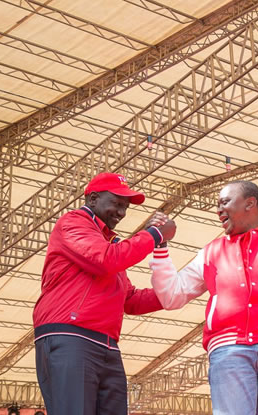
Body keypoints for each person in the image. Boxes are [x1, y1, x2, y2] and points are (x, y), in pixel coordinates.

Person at [149, 180, 258, 415]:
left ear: (250, 203)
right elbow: (172, 296)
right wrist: (160, 247)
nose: (218, 210)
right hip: (228, 348)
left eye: (224, 202)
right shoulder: (210, 251)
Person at [33, 172, 176, 415]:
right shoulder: (73, 223)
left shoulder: (108, 243)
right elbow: (105, 261)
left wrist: (179, 291)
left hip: (105, 343)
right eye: (117, 204)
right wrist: (154, 235)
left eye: (125, 208)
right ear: (93, 199)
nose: (121, 213)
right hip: (71, 333)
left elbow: (129, 300)